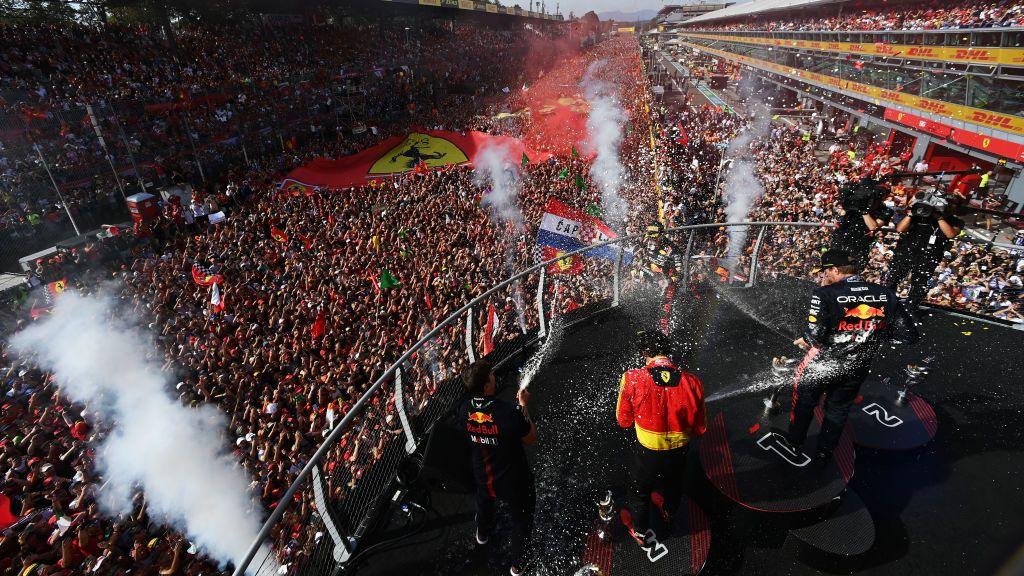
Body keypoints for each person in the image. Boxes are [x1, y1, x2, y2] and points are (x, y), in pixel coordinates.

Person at [779, 250, 919, 462]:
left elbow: (816, 336)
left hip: (823, 363)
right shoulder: (886, 294)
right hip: (857, 366)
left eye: (826, 271)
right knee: (838, 408)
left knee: (805, 402)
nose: (825, 276)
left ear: (835, 269)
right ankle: (825, 451)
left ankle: (794, 442)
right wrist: (872, 337)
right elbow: (909, 336)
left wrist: (806, 339)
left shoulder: (824, 293)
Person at [616, 330, 706, 545]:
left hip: (647, 452)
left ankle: (639, 532)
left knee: (639, 492)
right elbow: (700, 428)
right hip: (679, 451)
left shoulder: (632, 378)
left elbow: (623, 420)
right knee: (674, 484)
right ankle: (668, 512)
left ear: (645, 353)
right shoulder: (693, 382)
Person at [460, 360, 536, 576]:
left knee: (484, 505)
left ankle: (482, 534)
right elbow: (531, 438)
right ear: (486, 386)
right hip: (513, 480)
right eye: (491, 374)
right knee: (522, 522)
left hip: (483, 475)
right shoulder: (507, 413)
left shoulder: (464, 409)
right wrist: (524, 406)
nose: (494, 376)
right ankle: (517, 566)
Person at [885, 193, 964, 305]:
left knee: (918, 286)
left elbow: (950, 234)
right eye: (947, 202)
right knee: (893, 280)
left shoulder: (956, 221)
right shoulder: (922, 215)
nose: (949, 206)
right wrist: (913, 213)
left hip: (929, 257)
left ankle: (911, 308)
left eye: (953, 204)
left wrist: (939, 217)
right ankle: (886, 303)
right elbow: (900, 229)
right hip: (907, 252)